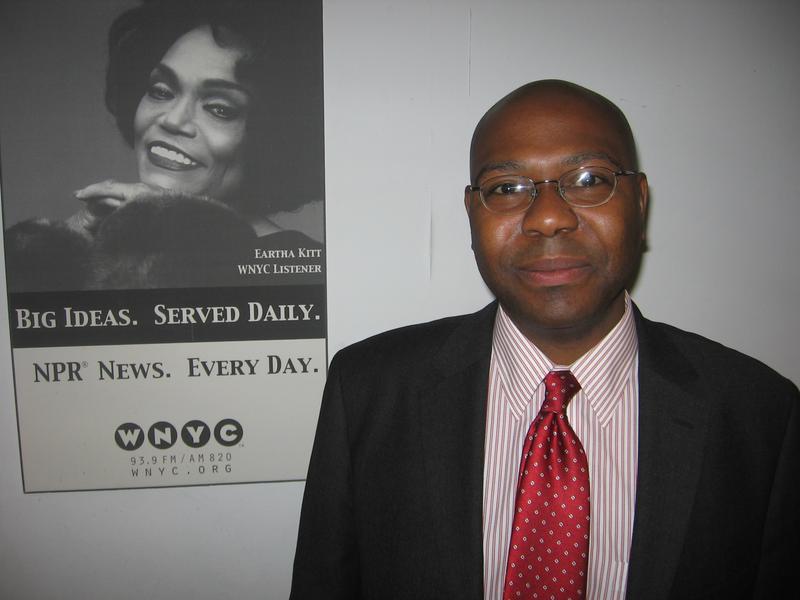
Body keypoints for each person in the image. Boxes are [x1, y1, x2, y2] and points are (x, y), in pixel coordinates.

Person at [290, 80, 799, 599]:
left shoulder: (761, 415)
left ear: (640, 202)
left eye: (587, 179)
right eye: (507, 188)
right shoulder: (368, 390)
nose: (549, 217)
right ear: (471, 213)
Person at [5, 0, 323, 291]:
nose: (172, 120)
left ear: (275, 140)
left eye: (219, 108)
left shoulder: (296, 267)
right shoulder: (100, 246)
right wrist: (62, 246)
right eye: (161, 90)